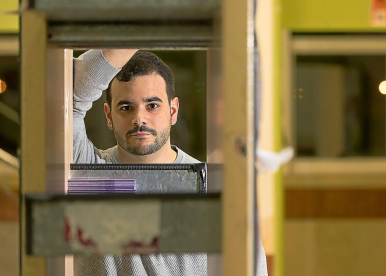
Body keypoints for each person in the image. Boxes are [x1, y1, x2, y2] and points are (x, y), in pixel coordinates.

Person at [72, 49, 268, 275]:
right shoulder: (88, 172)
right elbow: (71, 95)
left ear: (173, 111)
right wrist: (135, 28)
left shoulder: (211, 188)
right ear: (108, 115)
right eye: (126, 107)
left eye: (152, 105)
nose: (139, 119)